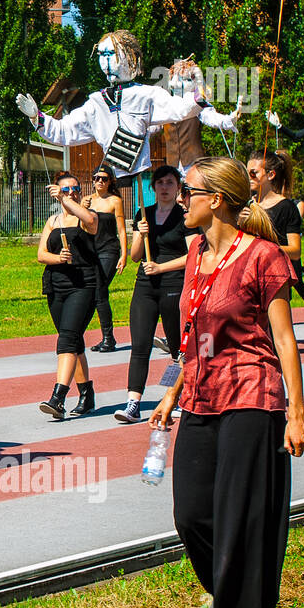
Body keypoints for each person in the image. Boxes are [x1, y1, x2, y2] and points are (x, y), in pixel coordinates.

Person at [149, 157, 304, 608]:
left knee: (239, 513)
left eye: (188, 190)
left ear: (215, 199)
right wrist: (171, 389)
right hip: (199, 392)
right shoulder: (195, 252)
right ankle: (237, 588)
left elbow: (284, 339)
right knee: (191, 513)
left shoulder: (262, 256)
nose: (178, 200)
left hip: (253, 394)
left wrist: (297, 413)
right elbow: (192, 333)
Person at [114, 165, 195, 424]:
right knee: (139, 346)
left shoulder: (186, 217)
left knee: (176, 349)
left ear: (178, 187)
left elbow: (193, 255)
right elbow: (136, 256)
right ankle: (133, 403)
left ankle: (175, 394)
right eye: (159, 183)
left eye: (169, 182)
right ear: (153, 187)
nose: (164, 187)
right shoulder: (144, 214)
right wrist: (141, 234)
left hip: (174, 285)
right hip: (145, 286)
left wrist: (161, 266)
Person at [35, 172, 101, 418]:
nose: (71, 192)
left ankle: (58, 397)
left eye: (75, 188)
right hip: (56, 285)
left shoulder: (86, 217)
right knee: (74, 342)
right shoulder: (52, 221)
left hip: (82, 285)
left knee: (66, 339)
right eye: (65, 189)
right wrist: (58, 258)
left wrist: (67, 201)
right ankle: (86, 393)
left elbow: (90, 221)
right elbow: (41, 254)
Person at [245, 151, 304, 326]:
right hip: (248, 280)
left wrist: (261, 245)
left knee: (278, 336)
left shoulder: (286, 207)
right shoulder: (246, 206)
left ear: (271, 174)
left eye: (253, 172)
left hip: (274, 279)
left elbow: (295, 251)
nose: (249, 176)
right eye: (247, 172)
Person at [87, 163, 127, 352]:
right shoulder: (87, 201)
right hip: (90, 251)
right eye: (97, 178)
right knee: (93, 292)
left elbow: (121, 229)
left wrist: (124, 254)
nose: (100, 182)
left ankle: (108, 338)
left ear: (110, 181)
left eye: (104, 178)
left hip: (109, 250)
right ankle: (106, 337)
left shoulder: (114, 201)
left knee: (100, 290)